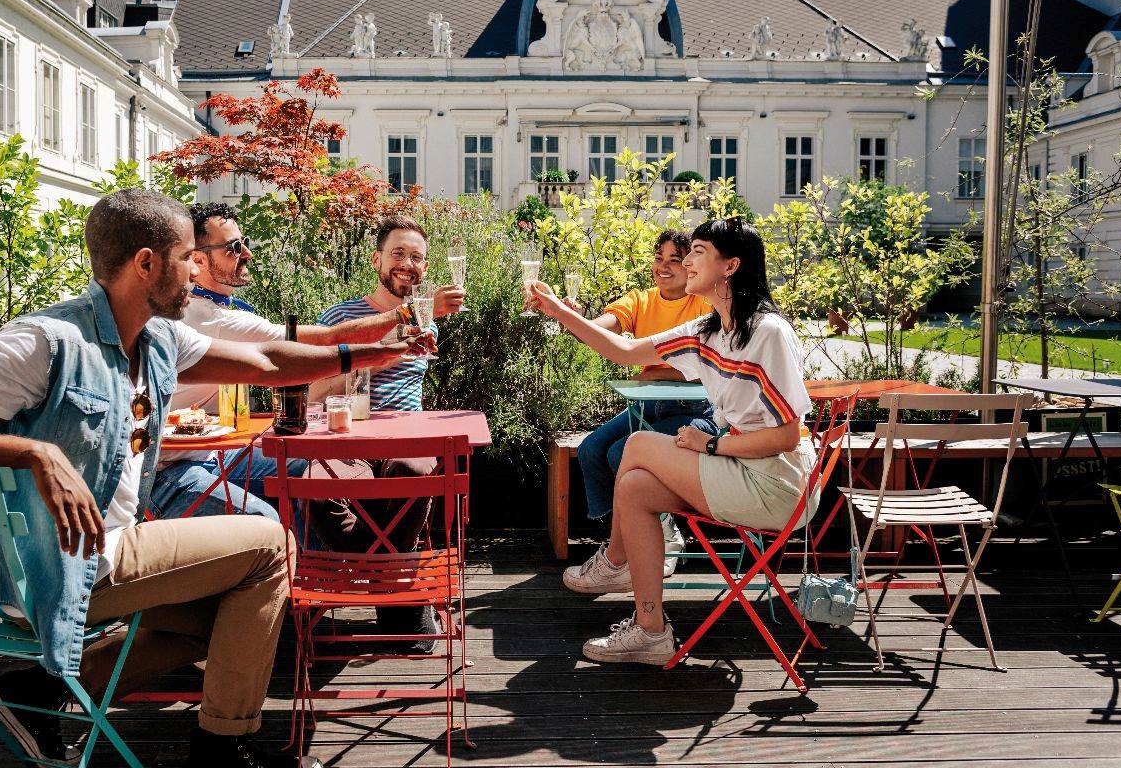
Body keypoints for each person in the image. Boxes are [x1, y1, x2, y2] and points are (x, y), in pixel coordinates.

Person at [0, 189, 423, 767]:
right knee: (272, 545)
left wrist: (368, 356)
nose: (196, 270)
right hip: (55, 567)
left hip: (114, 552)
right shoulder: (46, 341)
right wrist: (34, 454)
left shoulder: (159, 339)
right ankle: (223, 750)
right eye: (187, 256)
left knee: (228, 616)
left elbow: (269, 360)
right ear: (146, 263)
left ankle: (35, 691)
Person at [526, 217, 813, 666]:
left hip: (778, 484)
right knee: (635, 487)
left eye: (698, 251)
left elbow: (786, 435)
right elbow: (624, 351)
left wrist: (712, 446)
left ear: (731, 265)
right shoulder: (709, 331)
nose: (688, 261)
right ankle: (650, 631)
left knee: (638, 445)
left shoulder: (767, 332)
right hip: (741, 470)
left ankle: (615, 562)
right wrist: (560, 312)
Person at [152, 202, 464, 521]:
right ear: (198, 260)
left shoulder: (215, 314)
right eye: (233, 247)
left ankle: (340, 554)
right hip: (176, 465)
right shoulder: (214, 320)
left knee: (313, 472)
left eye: (245, 242)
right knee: (291, 501)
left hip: (216, 449)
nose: (247, 253)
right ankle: (302, 552)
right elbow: (324, 342)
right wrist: (410, 317)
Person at [303, 215, 447, 651]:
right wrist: (376, 358)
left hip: (407, 435)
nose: (407, 263)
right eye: (397, 253)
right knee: (320, 491)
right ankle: (397, 587)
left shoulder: (427, 319)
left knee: (412, 472)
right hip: (346, 435)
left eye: (416, 257)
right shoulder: (340, 317)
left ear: (426, 267)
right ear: (376, 260)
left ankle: (383, 586)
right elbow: (311, 393)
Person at [574, 229, 720, 575]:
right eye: (659, 258)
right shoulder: (641, 300)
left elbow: (706, 371)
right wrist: (576, 320)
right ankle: (624, 538)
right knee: (590, 450)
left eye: (675, 260)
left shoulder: (704, 304)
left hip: (698, 411)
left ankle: (664, 532)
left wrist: (658, 372)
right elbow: (602, 329)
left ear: (691, 265)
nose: (663, 267)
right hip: (648, 405)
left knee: (619, 452)